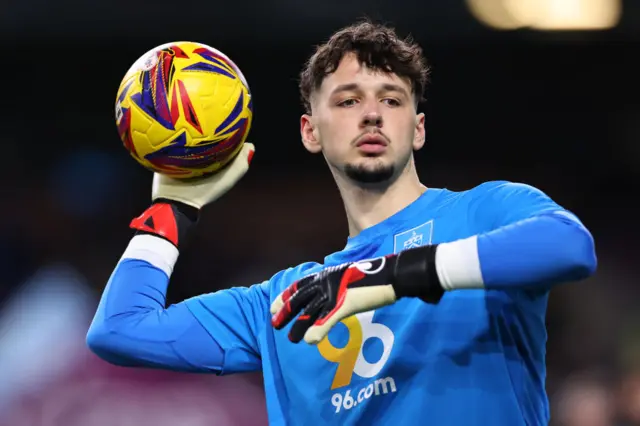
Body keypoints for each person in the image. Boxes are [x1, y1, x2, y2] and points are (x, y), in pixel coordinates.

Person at [87, 21, 597, 426]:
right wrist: (172, 212)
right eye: (349, 100)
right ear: (311, 131)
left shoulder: (483, 212)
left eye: (392, 99)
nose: (372, 114)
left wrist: (391, 276)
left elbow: (569, 245)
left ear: (417, 128)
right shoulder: (284, 301)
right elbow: (119, 330)